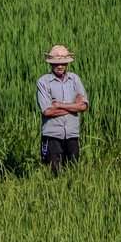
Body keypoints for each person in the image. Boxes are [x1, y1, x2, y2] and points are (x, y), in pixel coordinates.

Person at [36, 45, 89, 173]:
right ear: (50, 64)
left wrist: (59, 104)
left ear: (67, 63)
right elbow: (47, 111)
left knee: (74, 170)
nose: (59, 67)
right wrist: (73, 107)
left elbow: (83, 106)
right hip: (52, 134)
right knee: (53, 172)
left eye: (63, 63)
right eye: (56, 64)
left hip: (72, 134)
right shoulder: (43, 82)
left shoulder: (74, 79)